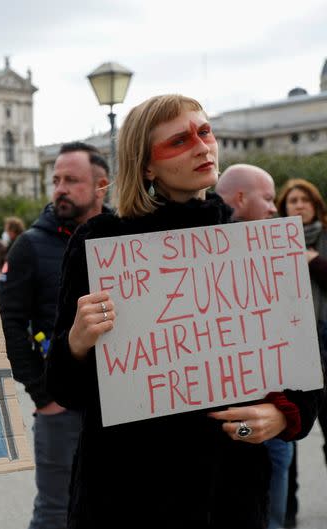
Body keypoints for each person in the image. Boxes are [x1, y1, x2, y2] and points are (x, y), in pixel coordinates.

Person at [45, 94, 323, 529]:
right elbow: (63, 387)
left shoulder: (249, 242)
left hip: (228, 493)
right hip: (127, 495)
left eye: (205, 131)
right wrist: (77, 341)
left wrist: (283, 415)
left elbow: (301, 368)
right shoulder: (101, 245)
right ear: (147, 165)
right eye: (180, 139)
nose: (202, 146)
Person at [0, 142, 109, 529]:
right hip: (62, 412)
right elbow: (7, 325)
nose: (60, 188)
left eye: (71, 180)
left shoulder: (122, 238)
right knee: (56, 513)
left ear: (101, 186)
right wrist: (44, 394)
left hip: (121, 406)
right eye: (56, 180)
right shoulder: (30, 244)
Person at [216, 163, 292, 529]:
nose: (275, 208)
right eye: (268, 198)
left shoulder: (281, 256)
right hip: (225, 428)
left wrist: (287, 414)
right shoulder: (191, 257)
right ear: (241, 199)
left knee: (269, 513)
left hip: (273, 423)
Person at [275, 178, 327, 529]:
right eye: (291, 199)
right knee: (288, 431)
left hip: (325, 342)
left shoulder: (324, 240)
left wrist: (315, 261)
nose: (298, 205)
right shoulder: (272, 243)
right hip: (289, 345)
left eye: (304, 199)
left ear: (315, 204)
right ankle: (289, 512)